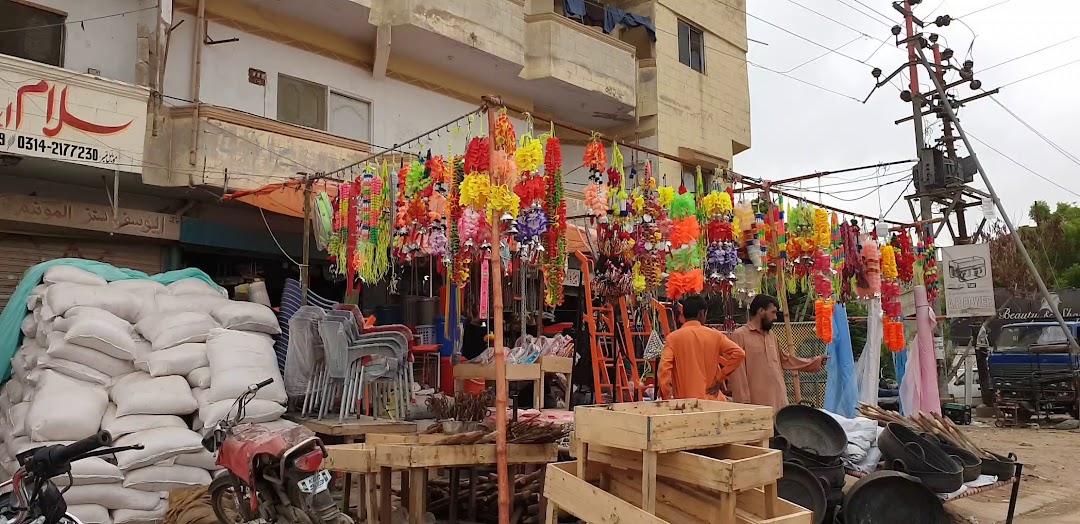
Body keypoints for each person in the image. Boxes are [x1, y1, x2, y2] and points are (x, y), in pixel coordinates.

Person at [728, 294, 829, 411]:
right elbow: (738, 374)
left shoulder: (772, 336)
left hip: (779, 400)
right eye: (773, 312)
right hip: (756, 404)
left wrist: (815, 361)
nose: (775, 317)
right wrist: (743, 404)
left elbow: (786, 360)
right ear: (761, 311)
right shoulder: (739, 335)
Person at [657, 294, 746, 401]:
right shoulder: (715, 335)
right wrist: (720, 378)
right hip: (713, 402)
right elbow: (739, 353)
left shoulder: (673, 338)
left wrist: (666, 397)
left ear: (684, 315)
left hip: (685, 404)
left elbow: (663, 370)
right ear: (702, 313)